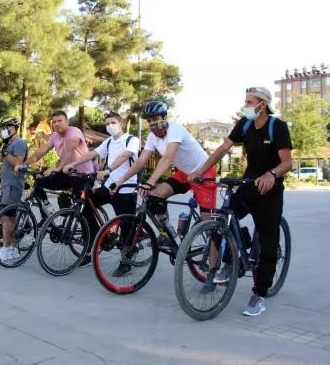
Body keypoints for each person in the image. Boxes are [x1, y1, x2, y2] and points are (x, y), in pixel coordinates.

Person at [188, 87, 292, 317]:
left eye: (249, 101)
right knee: (220, 220)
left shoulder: (277, 127)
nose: (245, 105)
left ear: (262, 104)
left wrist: (271, 175)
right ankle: (230, 261)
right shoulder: (244, 125)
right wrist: (200, 171)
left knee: (268, 242)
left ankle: (260, 294)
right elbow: (223, 148)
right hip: (247, 186)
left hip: (269, 190)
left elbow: (287, 163)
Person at [115, 101, 217, 249]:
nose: (152, 123)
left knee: (209, 229)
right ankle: (167, 234)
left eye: (155, 119)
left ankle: (218, 265)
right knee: (156, 196)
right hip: (184, 173)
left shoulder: (175, 130)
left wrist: (150, 182)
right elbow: (141, 160)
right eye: (149, 121)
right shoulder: (152, 137)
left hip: (204, 173)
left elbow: (168, 158)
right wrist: (121, 180)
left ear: (164, 117)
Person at [63, 111, 140, 269]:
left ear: (121, 124)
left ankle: (126, 261)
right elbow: (93, 153)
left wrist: (108, 170)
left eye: (113, 123)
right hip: (108, 186)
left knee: (126, 225)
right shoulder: (109, 141)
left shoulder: (132, 140)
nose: (110, 126)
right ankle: (97, 240)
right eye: (107, 124)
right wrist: (73, 164)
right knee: (85, 206)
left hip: (125, 188)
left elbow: (124, 157)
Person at [15, 110, 92, 209]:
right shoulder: (54, 136)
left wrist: (58, 167)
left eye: (60, 121)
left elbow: (69, 150)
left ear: (67, 122)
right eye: (54, 121)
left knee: (81, 209)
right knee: (39, 183)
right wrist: (24, 164)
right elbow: (41, 152)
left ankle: (92, 224)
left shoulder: (74, 132)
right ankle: (47, 210)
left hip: (82, 175)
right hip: (66, 173)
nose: (56, 124)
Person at [0, 117, 28, 262]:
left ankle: (5, 248)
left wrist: (5, 154)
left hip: (13, 184)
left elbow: (19, 162)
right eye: (3, 127)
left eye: (7, 127)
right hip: (7, 184)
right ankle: (13, 248)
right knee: (11, 216)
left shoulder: (19, 143)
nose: (4, 130)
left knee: (5, 216)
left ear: (15, 128)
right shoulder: (9, 144)